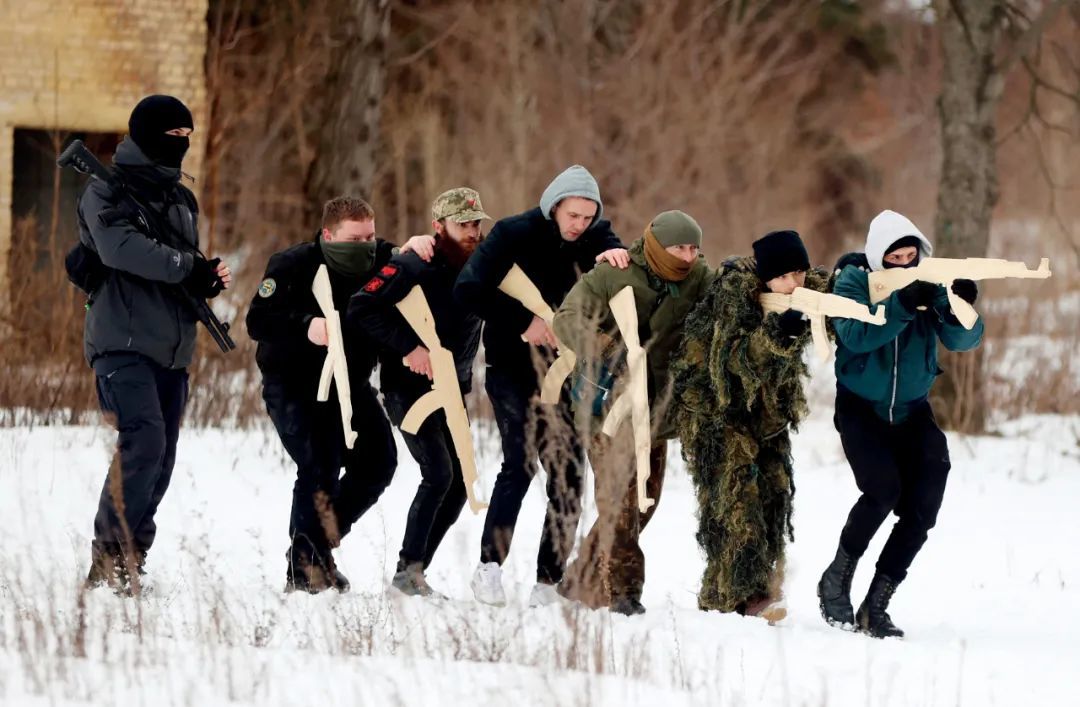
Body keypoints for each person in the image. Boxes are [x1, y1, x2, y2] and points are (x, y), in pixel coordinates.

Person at [454, 165, 628, 607]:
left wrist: (615, 254)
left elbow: (614, 251)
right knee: (520, 464)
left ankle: (547, 582)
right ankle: (488, 568)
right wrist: (522, 322)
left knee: (568, 473)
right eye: (572, 215)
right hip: (511, 366)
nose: (579, 225)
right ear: (554, 207)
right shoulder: (513, 233)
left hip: (566, 371)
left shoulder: (596, 235)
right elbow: (468, 289)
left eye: (587, 217)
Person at [82, 95, 231, 594]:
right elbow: (119, 249)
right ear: (147, 135)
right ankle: (107, 560)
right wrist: (186, 267)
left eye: (188, 138)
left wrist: (203, 279)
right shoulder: (105, 190)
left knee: (162, 455)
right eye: (173, 137)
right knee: (143, 440)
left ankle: (133, 555)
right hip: (121, 341)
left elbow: (179, 263)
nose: (182, 146)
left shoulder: (180, 199)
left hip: (172, 346)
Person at [246, 196, 431, 593]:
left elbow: (412, 262)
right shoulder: (291, 265)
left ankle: (316, 549)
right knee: (319, 465)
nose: (365, 245)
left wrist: (417, 246)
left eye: (370, 235)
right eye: (354, 238)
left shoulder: (384, 258)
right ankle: (304, 571)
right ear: (329, 235)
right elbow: (258, 320)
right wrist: (305, 326)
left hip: (351, 382)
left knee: (379, 462)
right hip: (294, 383)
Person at [817, 209, 983, 638]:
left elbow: (964, 340)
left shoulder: (931, 279)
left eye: (912, 256)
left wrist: (960, 305)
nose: (906, 265)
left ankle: (876, 605)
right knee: (882, 491)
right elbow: (855, 335)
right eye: (896, 259)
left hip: (912, 410)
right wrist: (901, 304)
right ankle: (836, 578)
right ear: (878, 258)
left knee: (923, 506)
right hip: (861, 408)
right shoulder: (853, 280)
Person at [553, 210, 715, 615]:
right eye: (679, 247)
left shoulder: (698, 278)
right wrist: (610, 349)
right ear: (658, 245)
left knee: (644, 501)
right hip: (605, 405)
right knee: (619, 502)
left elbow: (731, 297)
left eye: (694, 248)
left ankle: (580, 580)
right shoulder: (613, 272)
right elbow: (566, 318)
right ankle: (623, 592)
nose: (687, 256)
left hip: (655, 411)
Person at [673, 229, 827, 621]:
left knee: (774, 499)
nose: (795, 285)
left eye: (800, 274)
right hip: (715, 413)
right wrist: (779, 331)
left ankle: (731, 594)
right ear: (766, 277)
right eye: (785, 277)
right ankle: (741, 597)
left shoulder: (800, 289)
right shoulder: (734, 296)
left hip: (766, 416)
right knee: (736, 503)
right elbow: (733, 363)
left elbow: (840, 287)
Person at [347, 188, 489, 597]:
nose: (472, 232)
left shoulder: (477, 265)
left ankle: (416, 570)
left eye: (476, 223)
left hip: (452, 388)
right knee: (439, 472)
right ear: (438, 226)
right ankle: (407, 572)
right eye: (463, 224)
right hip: (407, 390)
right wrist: (408, 348)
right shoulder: (413, 264)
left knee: (461, 481)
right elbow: (362, 307)